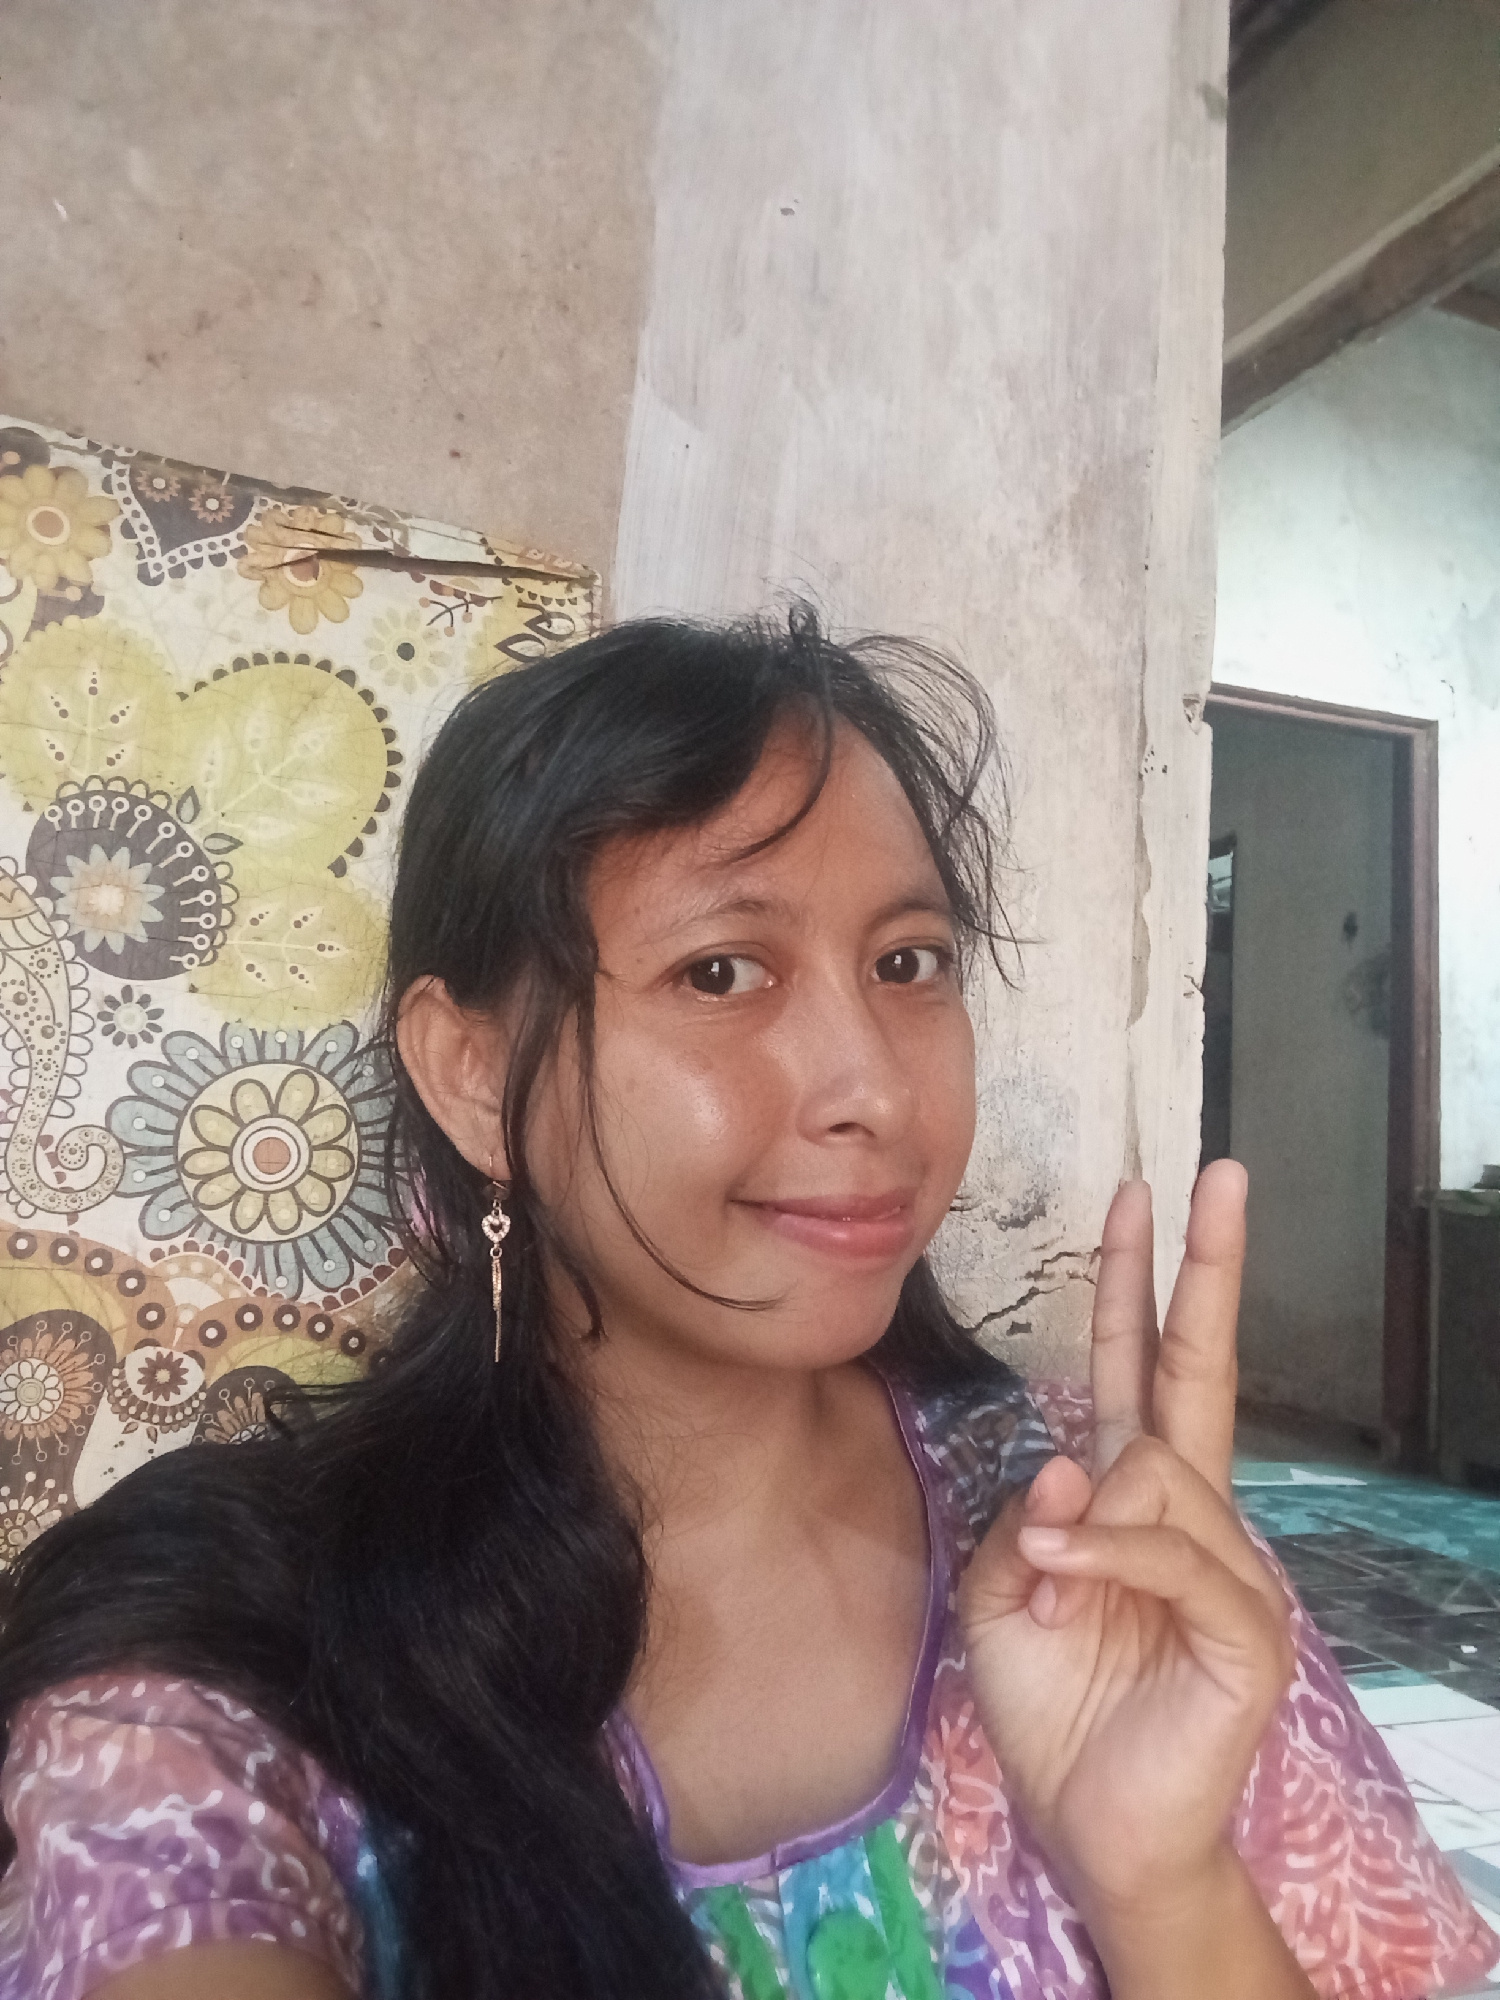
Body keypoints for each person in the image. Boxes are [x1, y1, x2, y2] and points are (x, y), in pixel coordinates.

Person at [0, 612, 1488, 2000]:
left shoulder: (1107, 1526)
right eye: (721, 971)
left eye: (909, 963)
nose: (875, 1089)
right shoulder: (232, 1656)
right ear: (473, 1075)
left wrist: (1162, 1875)